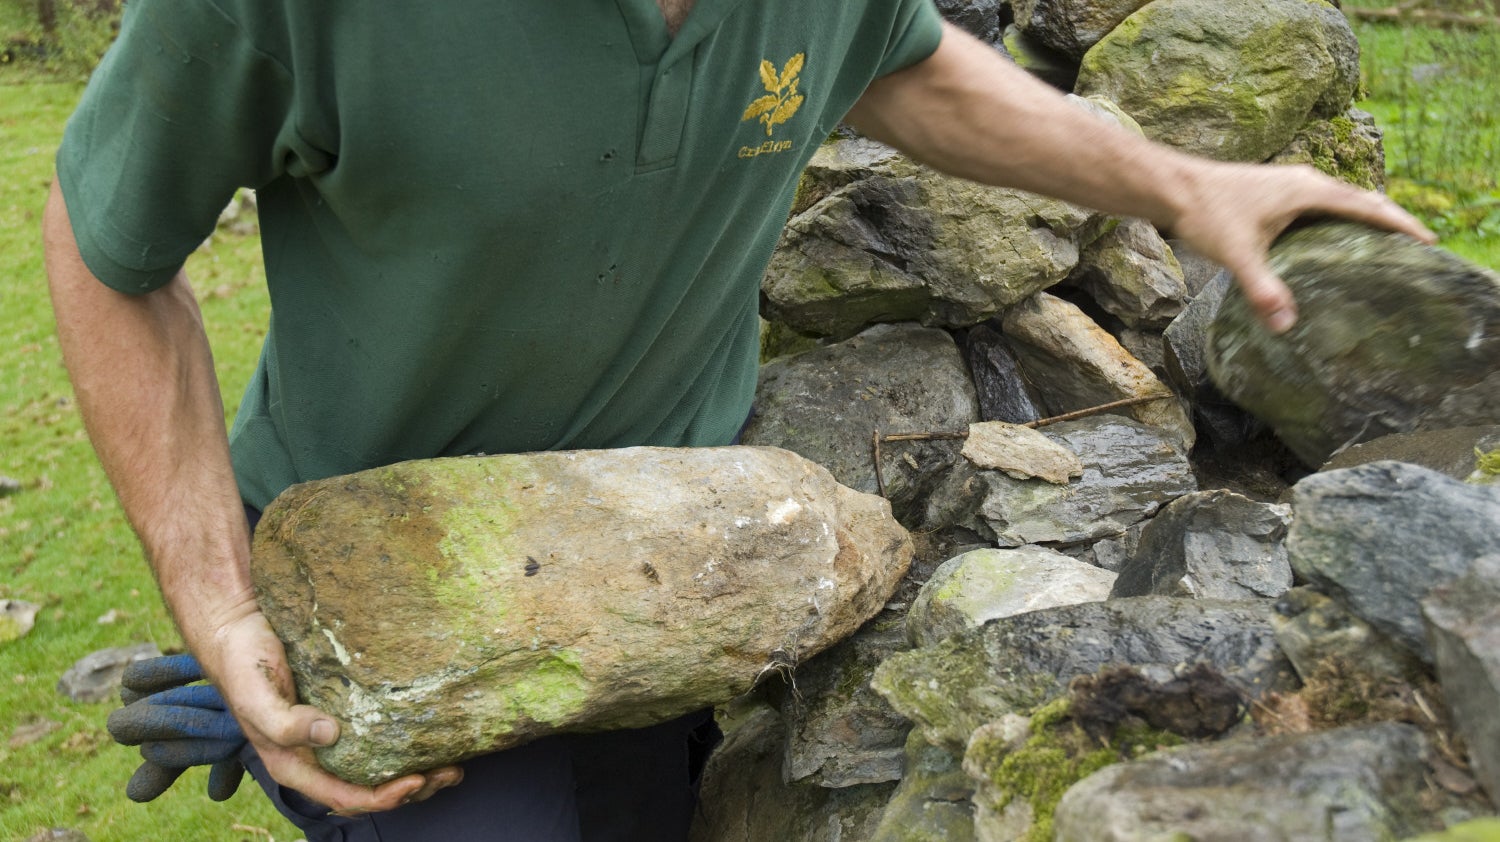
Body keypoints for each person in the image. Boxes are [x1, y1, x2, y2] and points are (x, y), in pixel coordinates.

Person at [44, 0, 1432, 839]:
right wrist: (216, 591)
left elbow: (906, 63)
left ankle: (200, 710)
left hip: (664, 585)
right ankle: (234, 685)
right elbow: (107, 249)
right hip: (398, 588)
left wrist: (1180, 184)